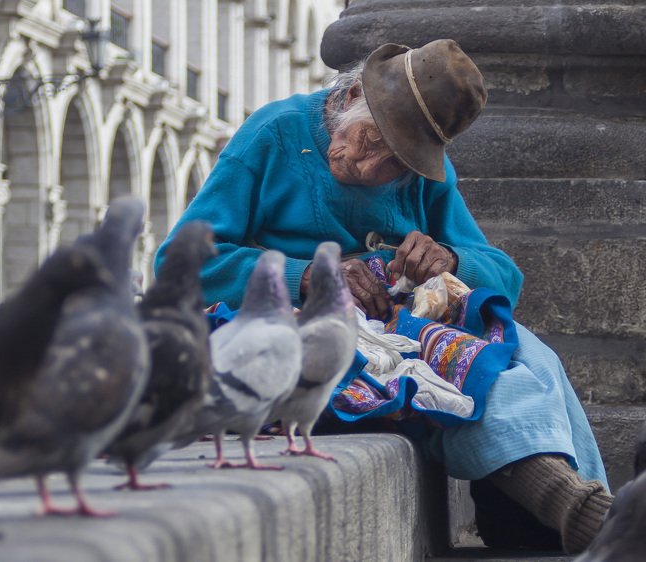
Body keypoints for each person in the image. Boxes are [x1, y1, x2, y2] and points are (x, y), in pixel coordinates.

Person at [154, 39, 612, 554]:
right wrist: (306, 275)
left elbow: (505, 275)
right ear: (351, 95)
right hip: (297, 329)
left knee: (530, 354)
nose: (373, 169)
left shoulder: (426, 176)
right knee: (441, 365)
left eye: (397, 162)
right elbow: (180, 263)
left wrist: (450, 259)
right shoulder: (274, 133)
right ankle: (578, 515)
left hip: (400, 326)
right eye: (371, 141)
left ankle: (573, 510)